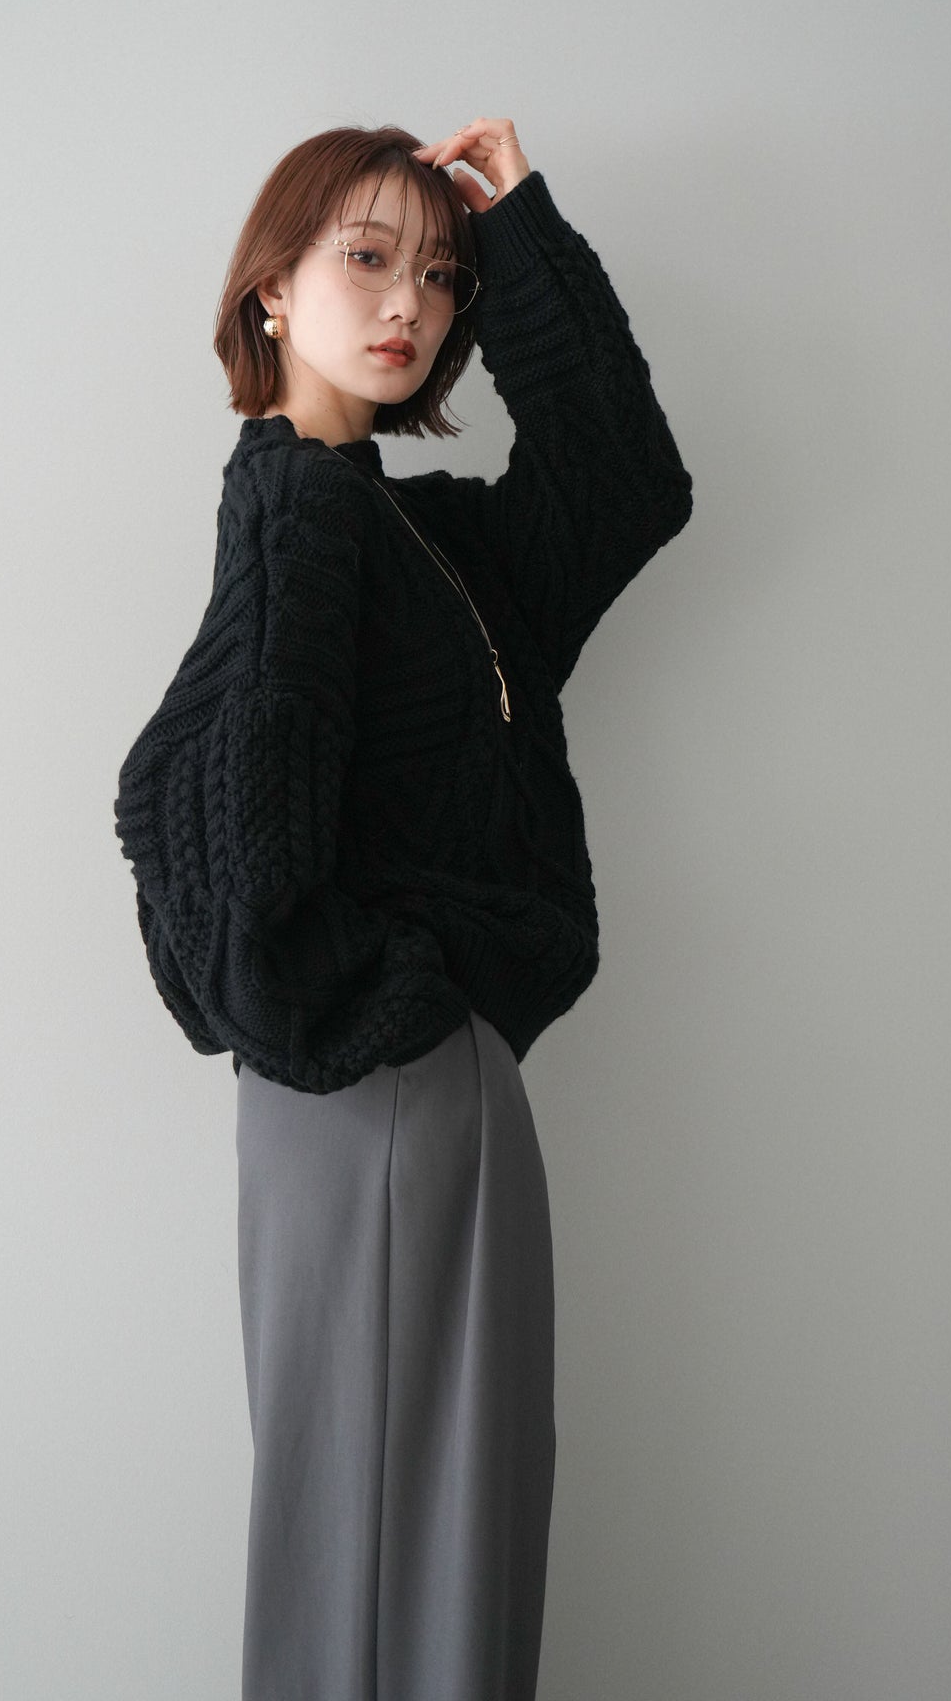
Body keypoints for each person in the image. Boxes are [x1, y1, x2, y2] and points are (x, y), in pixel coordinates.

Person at [114, 116, 693, 1701]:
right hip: (372, 1081)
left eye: (439, 277)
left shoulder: (421, 537)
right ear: (269, 293)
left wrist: (518, 225)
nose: (408, 305)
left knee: (437, 1547)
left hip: (431, 1083)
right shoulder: (300, 510)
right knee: (391, 1555)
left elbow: (624, 487)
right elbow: (210, 818)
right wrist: (384, 1004)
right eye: (365, 259)